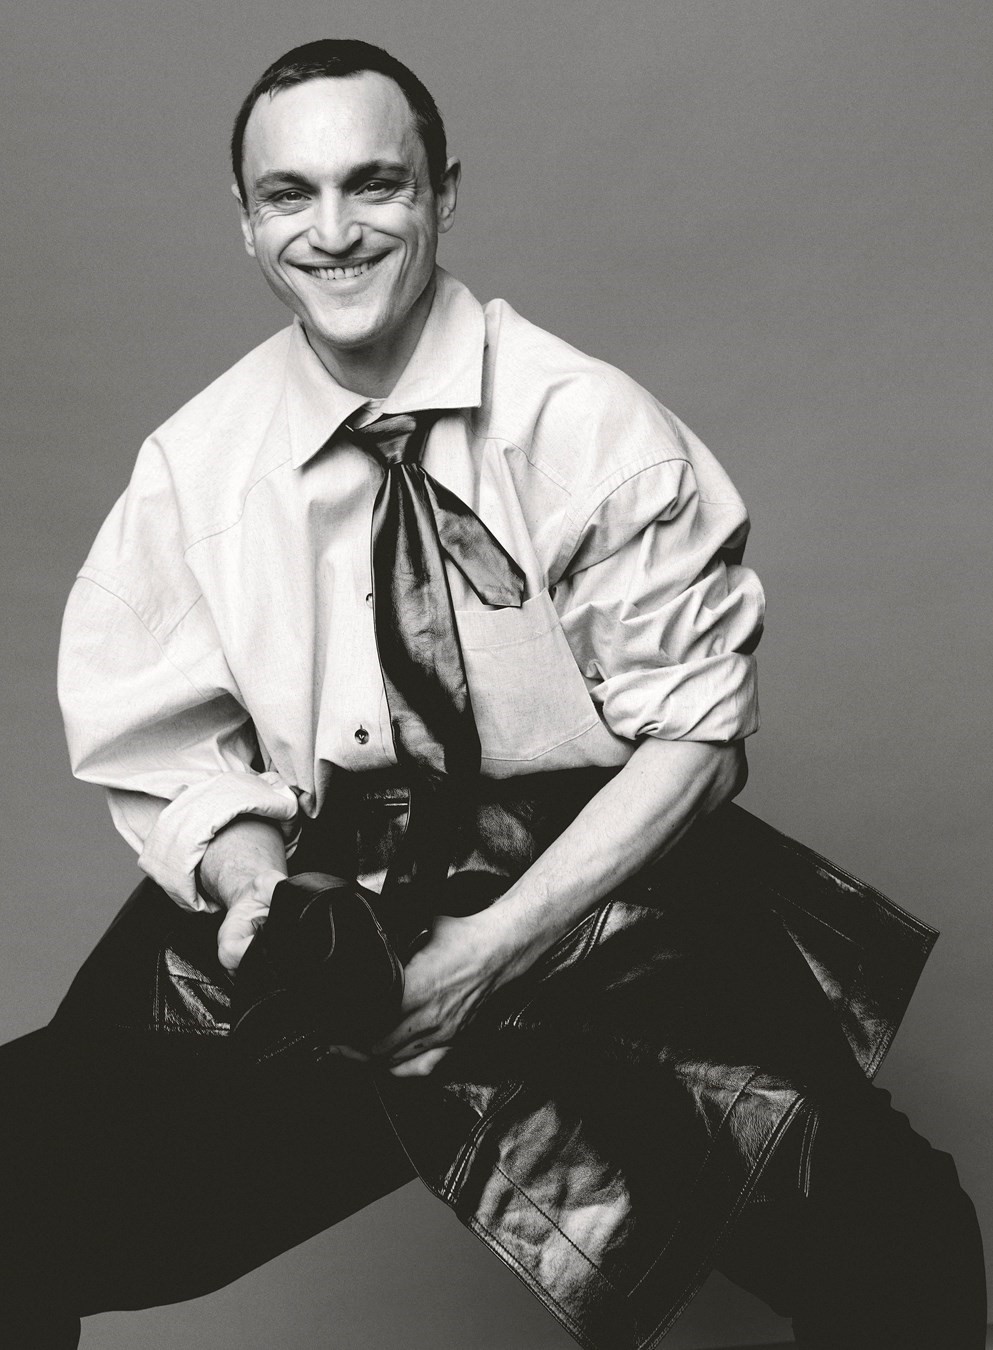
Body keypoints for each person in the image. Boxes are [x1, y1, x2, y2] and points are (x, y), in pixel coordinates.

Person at [1, 38, 984, 1350]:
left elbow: (697, 739)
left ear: (443, 193)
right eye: (290, 194)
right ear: (244, 220)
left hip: (588, 897)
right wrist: (257, 895)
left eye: (375, 184)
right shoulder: (194, 468)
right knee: (18, 1183)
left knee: (898, 1238)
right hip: (325, 893)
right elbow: (169, 746)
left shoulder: (586, 426)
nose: (333, 231)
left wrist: (488, 953)